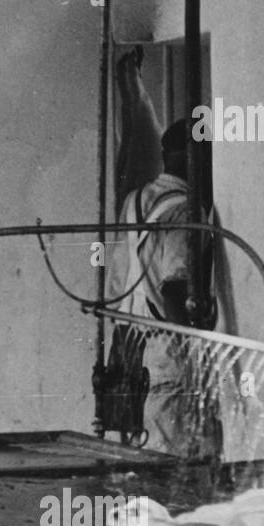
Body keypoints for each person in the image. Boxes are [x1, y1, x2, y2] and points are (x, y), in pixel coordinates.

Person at [113, 118, 221, 460]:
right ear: (198, 159)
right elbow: (174, 288)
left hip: (133, 344)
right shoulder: (187, 209)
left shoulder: (136, 200)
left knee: (143, 452)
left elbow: (118, 277)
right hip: (168, 345)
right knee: (175, 459)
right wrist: (193, 358)